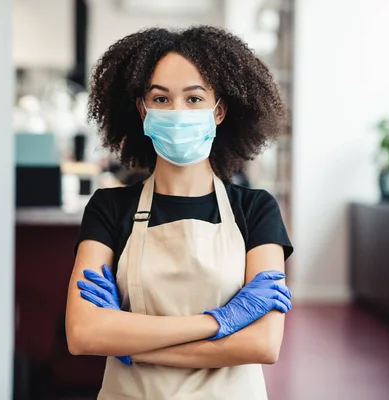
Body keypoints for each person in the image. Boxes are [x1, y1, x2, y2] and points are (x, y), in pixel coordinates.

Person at [65, 26, 294, 399]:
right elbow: (82, 334)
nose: (176, 112)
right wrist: (219, 322)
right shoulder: (109, 209)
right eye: (161, 99)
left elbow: (263, 344)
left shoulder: (256, 209)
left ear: (218, 111)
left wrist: (127, 339)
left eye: (193, 99)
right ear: (142, 109)